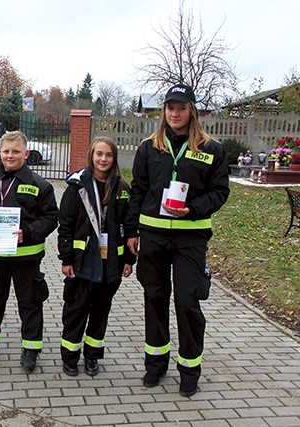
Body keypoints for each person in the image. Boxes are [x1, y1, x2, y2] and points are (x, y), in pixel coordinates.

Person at [124, 83, 230, 397]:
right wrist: (131, 232)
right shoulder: (148, 147)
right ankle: (155, 366)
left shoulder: (212, 149)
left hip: (191, 239)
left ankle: (190, 370)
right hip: (153, 236)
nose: (175, 113)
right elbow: (137, 191)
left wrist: (193, 209)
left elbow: (219, 192)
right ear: (164, 111)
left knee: (187, 302)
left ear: (191, 111)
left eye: (181, 108)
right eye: (170, 107)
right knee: (155, 300)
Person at [0, 130, 58, 373]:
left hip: (26, 258)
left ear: (26, 154)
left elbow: (50, 218)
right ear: (0, 152)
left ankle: (31, 349)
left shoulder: (41, 186)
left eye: (16, 151)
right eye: (6, 151)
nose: (10, 156)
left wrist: (26, 233)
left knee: (29, 303)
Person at [57, 136, 135, 377]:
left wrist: (129, 261)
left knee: (101, 311)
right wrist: (66, 259)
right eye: (99, 154)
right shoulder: (77, 187)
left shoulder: (123, 188)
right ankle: (70, 356)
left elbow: (130, 226)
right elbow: (65, 226)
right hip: (81, 261)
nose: (103, 159)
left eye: (108, 155)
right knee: (76, 309)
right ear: (91, 156)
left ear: (114, 159)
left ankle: (92, 356)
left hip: (111, 262)